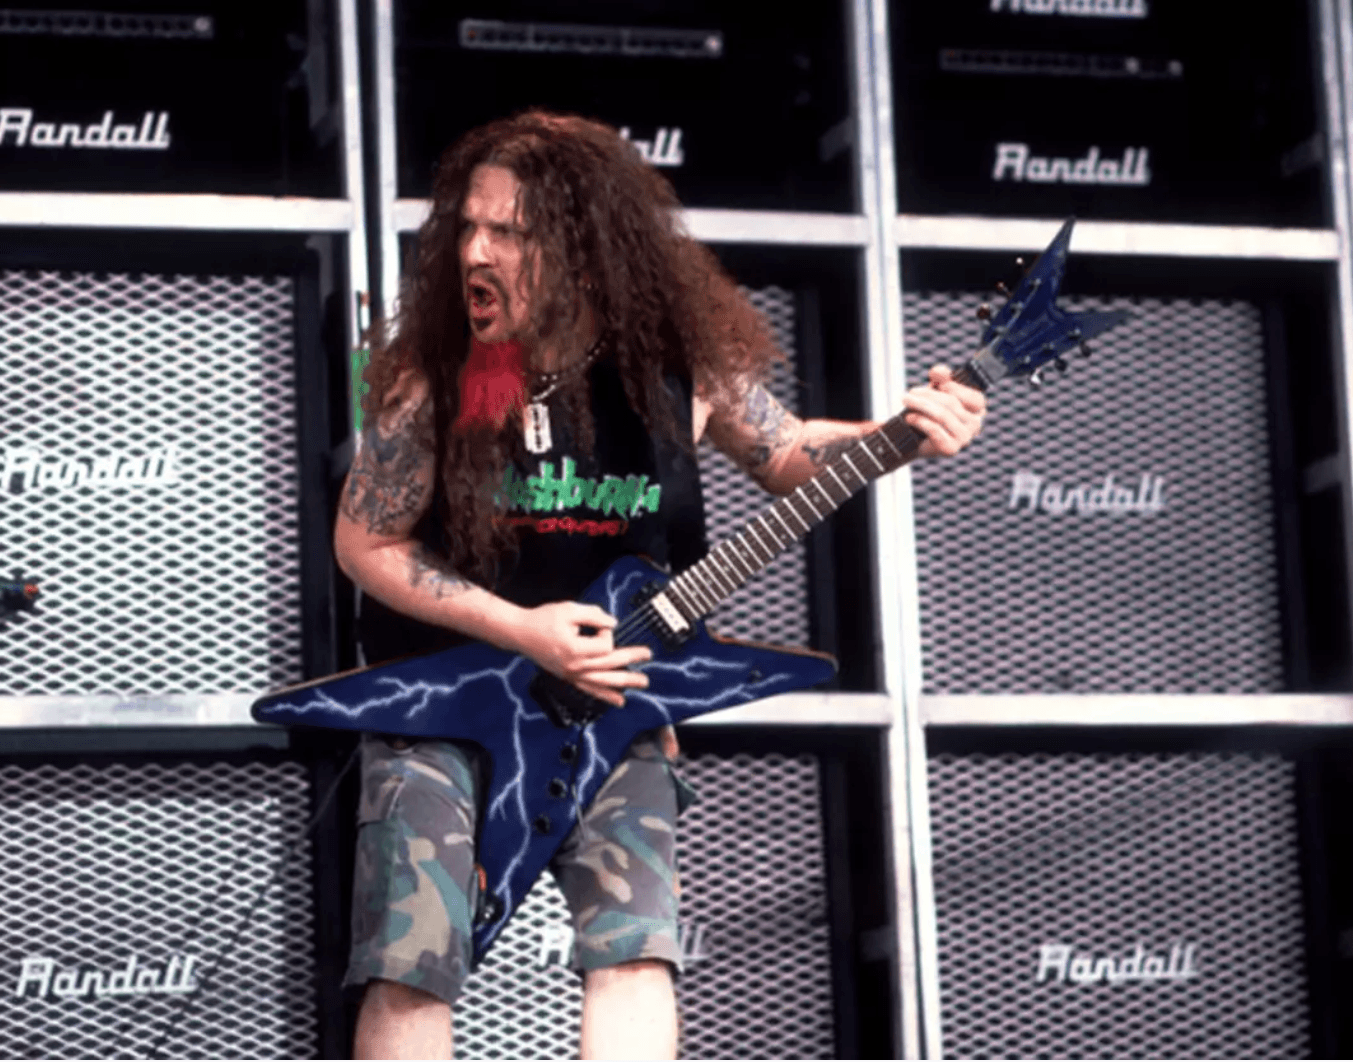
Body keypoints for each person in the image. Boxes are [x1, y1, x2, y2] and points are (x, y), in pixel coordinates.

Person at [334, 110, 986, 1060]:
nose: (475, 251)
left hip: (616, 702)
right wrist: (522, 629)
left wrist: (901, 437)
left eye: (508, 232)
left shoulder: (677, 368)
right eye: (468, 226)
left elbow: (788, 453)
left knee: (636, 954)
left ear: (586, 247)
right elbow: (366, 543)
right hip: (443, 708)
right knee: (412, 963)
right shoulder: (435, 376)